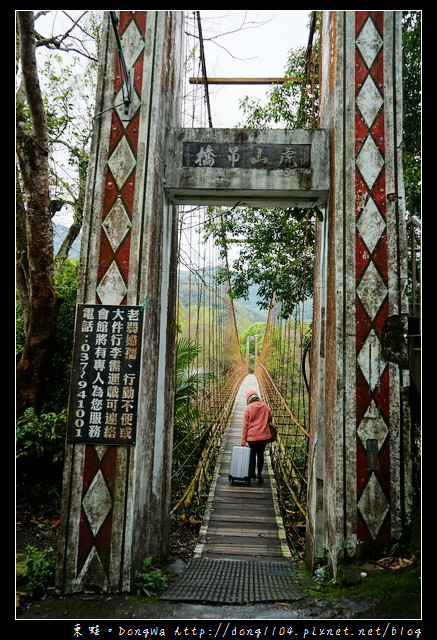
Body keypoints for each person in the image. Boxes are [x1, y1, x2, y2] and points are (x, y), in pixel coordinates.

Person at [240, 389, 272, 483]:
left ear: (248, 398)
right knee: (261, 455)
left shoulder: (248, 408)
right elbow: (270, 417)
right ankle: (260, 475)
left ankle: (251, 474)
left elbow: (245, 426)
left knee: (252, 456)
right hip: (264, 438)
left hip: (252, 439)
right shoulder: (265, 406)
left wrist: (243, 440)